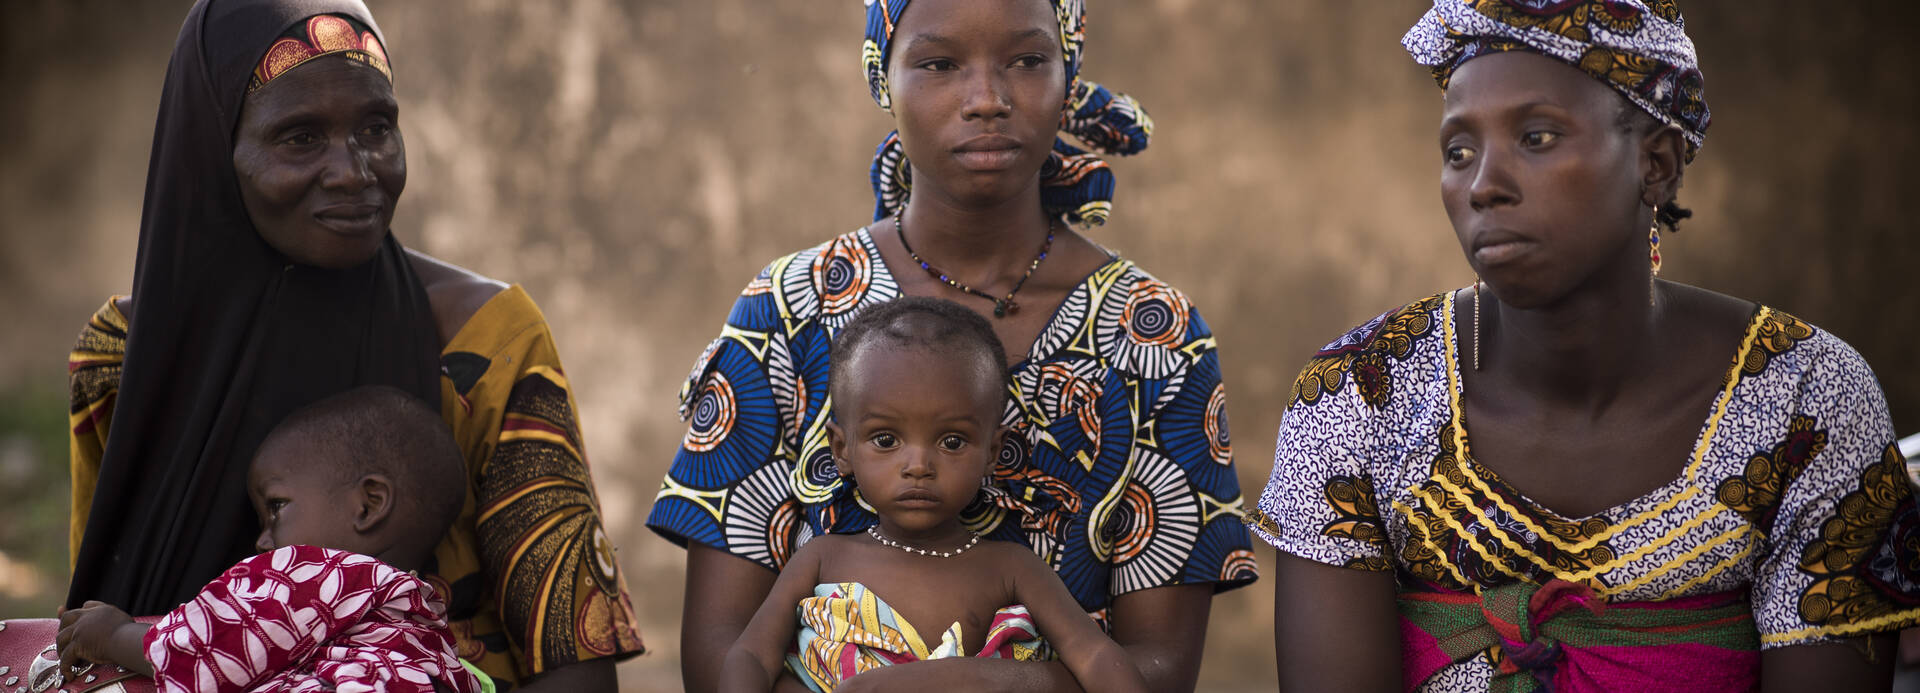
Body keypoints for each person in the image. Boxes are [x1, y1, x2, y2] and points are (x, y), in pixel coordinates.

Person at [1255, 1, 1920, 691]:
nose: (1483, 184)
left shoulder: (1807, 400)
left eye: (1537, 138)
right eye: (1458, 152)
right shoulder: (1360, 394)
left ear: (1654, 163)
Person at [645, 0, 1258, 690]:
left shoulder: (1155, 333)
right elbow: (719, 650)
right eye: (939, 63)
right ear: (885, 81)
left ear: (1068, 72)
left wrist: (1000, 683)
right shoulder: (787, 312)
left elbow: (1162, 668)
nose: (988, 99)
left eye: (1027, 60)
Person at [63, 1, 642, 688]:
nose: (354, 170)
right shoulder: (126, 357)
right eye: (301, 137)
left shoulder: (487, 344)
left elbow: (571, 662)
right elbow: (88, 627)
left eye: (377, 127)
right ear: (214, 149)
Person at [719, 298, 1147, 693]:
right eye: (886, 439)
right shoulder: (822, 558)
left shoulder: (1012, 568)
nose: (919, 465)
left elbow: (1095, 655)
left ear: (992, 453)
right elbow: (753, 653)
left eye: (953, 442)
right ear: (842, 450)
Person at [56, 386, 487, 692]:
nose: (262, 542)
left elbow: (213, 647)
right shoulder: (433, 638)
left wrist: (115, 634)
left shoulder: (315, 573)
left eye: (276, 507)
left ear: (368, 504)